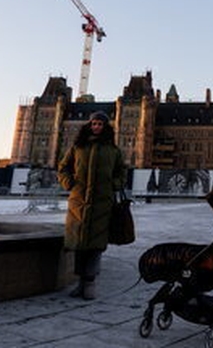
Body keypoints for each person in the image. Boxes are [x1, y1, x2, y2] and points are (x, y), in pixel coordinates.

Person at [57, 111, 127, 300]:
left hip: (102, 203)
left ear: (105, 127)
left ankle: (89, 283)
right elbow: (63, 167)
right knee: (79, 245)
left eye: (100, 124)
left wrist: (115, 184)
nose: (96, 127)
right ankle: (80, 282)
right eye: (94, 123)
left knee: (96, 246)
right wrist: (68, 183)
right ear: (89, 125)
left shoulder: (113, 151)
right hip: (79, 202)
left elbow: (122, 172)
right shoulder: (78, 147)